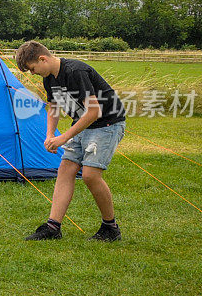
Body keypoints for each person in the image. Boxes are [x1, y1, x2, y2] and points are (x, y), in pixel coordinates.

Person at [15, 41, 126, 242]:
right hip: (83, 124)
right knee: (65, 169)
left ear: (43, 59)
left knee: (91, 175)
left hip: (107, 124)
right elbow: (54, 108)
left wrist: (63, 137)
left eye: (32, 69)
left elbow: (94, 111)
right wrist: (50, 135)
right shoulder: (49, 78)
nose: (32, 74)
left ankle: (111, 228)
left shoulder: (76, 71)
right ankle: (52, 227)